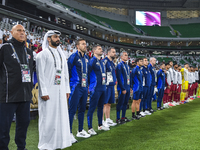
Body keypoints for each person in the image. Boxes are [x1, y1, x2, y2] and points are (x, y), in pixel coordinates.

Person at [36, 30, 72, 149]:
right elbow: (40, 75)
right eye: (55, 37)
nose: (58, 39)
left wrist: (67, 89)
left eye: (58, 37)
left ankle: (61, 142)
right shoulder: (42, 54)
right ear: (48, 39)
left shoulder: (62, 54)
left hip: (61, 91)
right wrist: (43, 92)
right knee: (48, 118)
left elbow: (65, 74)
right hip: (49, 92)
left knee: (61, 117)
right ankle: (46, 144)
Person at [0, 24, 33, 150]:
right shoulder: (5, 48)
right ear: (11, 32)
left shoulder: (29, 51)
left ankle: (21, 147)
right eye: (19, 30)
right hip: (8, 96)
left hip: (25, 96)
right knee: (3, 127)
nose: (22, 33)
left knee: (23, 125)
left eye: (24, 31)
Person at [68, 38, 90, 141]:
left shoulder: (86, 58)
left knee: (82, 109)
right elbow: (67, 72)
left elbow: (87, 73)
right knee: (72, 110)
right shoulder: (73, 57)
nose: (85, 45)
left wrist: (88, 85)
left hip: (84, 87)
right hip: (75, 87)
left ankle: (80, 130)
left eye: (85, 44)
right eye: (83, 44)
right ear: (77, 46)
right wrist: (67, 87)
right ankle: (69, 133)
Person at [87, 45, 109, 136]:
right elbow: (87, 74)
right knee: (92, 108)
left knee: (101, 107)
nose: (101, 50)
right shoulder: (92, 61)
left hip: (103, 87)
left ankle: (100, 125)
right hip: (95, 88)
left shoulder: (102, 62)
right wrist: (89, 86)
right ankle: (90, 128)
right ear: (94, 51)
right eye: (99, 49)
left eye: (101, 49)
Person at [102, 47, 117, 127]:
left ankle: (108, 119)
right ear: (108, 53)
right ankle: (103, 121)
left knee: (109, 103)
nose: (114, 54)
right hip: (107, 85)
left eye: (115, 52)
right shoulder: (105, 61)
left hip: (111, 85)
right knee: (104, 103)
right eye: (113, 52)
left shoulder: (112, 63)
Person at [116, 51, 131, 124]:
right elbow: (119, 78)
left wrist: (130, 86)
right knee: (120, 103)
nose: (126, 56)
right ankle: (118, 118)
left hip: (127, 86)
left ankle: (123, 117)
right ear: (121, 57)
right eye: (125, 55)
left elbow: (128, 77)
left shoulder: (127, 66)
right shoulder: (119, 65)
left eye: (127, 55)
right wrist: (122, 88)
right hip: (122, 87)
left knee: (125, 103)